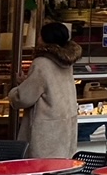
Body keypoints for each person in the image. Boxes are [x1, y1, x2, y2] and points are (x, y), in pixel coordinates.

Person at [10, 22, 80, 160]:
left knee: (40, 174)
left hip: (45, 134)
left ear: (45, 38)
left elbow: (24, 97)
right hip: (64, 129)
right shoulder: (67, 63)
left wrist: (13, 93)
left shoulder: (42, 63)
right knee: (58, 173)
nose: (38, 39)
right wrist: (27, 81)